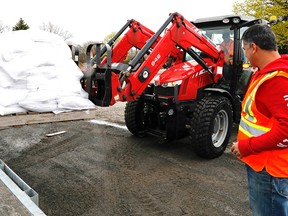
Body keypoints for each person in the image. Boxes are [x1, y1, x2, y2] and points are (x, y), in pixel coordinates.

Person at [231, 24, 288, 215]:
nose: (245, 55)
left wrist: (246, 147)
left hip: (269, 170)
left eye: (245, 49)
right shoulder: (266, 73)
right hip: (266, 165)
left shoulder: (275, 80)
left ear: (254, 47)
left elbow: (286, 130)